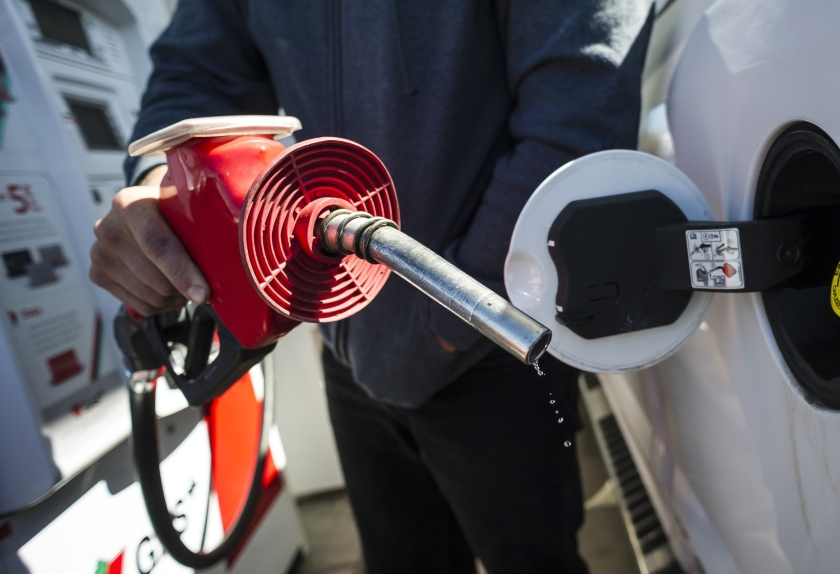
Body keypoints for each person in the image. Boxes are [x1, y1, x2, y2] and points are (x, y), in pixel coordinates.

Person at [90, 1, 653, 572]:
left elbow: (578, 117)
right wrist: (165, 190)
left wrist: (437, 326)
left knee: (532, 558)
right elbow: (196, 75)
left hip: (489, 344)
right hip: (348, 345)